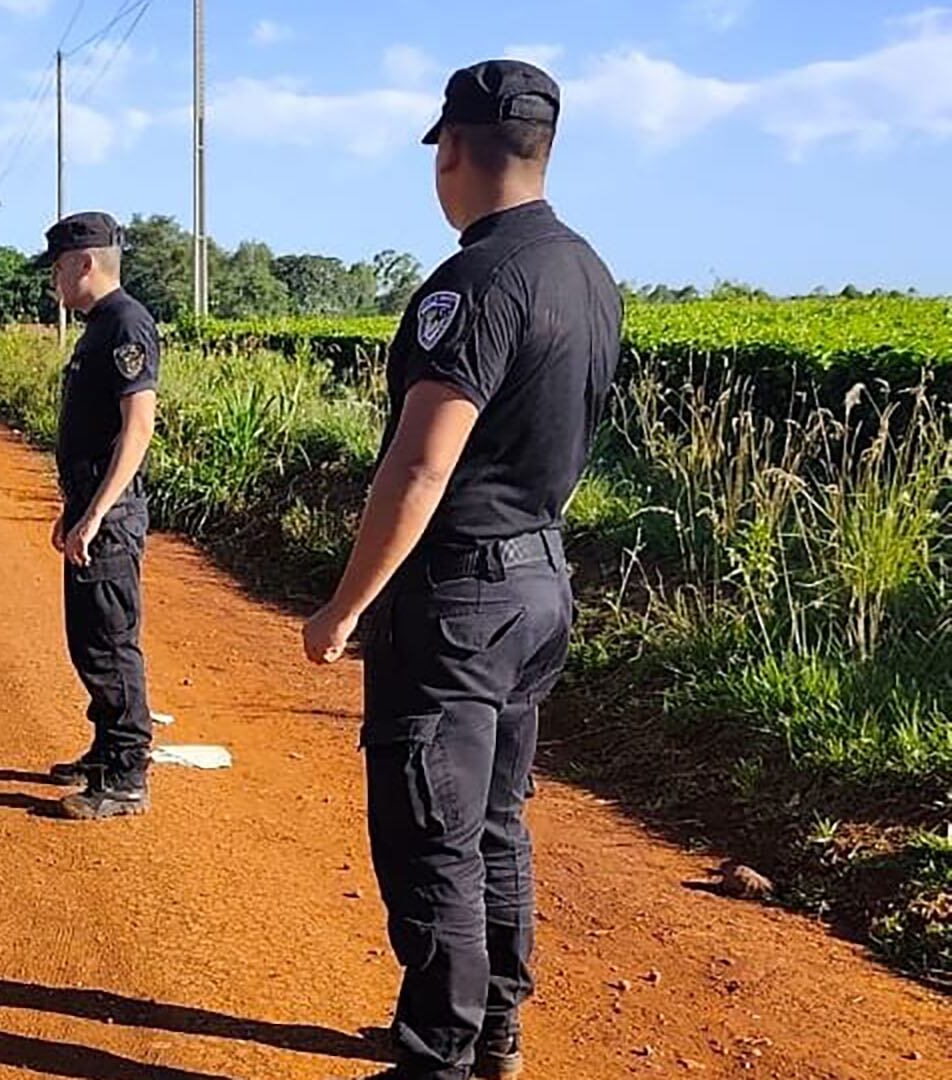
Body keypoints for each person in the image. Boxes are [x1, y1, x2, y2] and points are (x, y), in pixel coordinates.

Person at [300, 61, 621, 1080]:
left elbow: (423, 459)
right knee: (492, 817)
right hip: (540, 581)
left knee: (429, 826)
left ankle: (436, 1051)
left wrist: (348, 603)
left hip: (459, 600)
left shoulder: (476, 280)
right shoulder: (588, 273)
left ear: (451, 151)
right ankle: (494, 1028)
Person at [35, 211, 161, 821]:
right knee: (88, 639)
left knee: (111, 642)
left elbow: (137, 431)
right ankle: (105, 748)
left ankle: (127, 773)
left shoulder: (126, 324)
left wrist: (97, 514)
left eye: (58, 268)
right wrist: (73, 510)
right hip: (90, 509)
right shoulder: (97, 327)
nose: (54, 281)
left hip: (110, 515)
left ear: (84, 263)